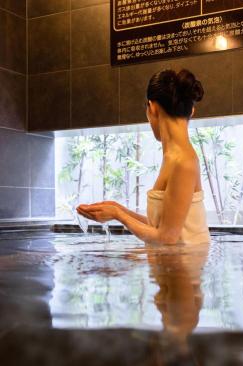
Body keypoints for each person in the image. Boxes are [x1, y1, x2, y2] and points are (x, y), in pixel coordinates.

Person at [77, 69, 211, 245]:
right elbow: (162, 227)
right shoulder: (175, 157)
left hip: (183, 270)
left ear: (152, 107)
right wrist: (117, 209)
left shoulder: (183, 161)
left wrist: (118, 215)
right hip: (174, 266)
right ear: (191, 111)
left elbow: (167, 237)